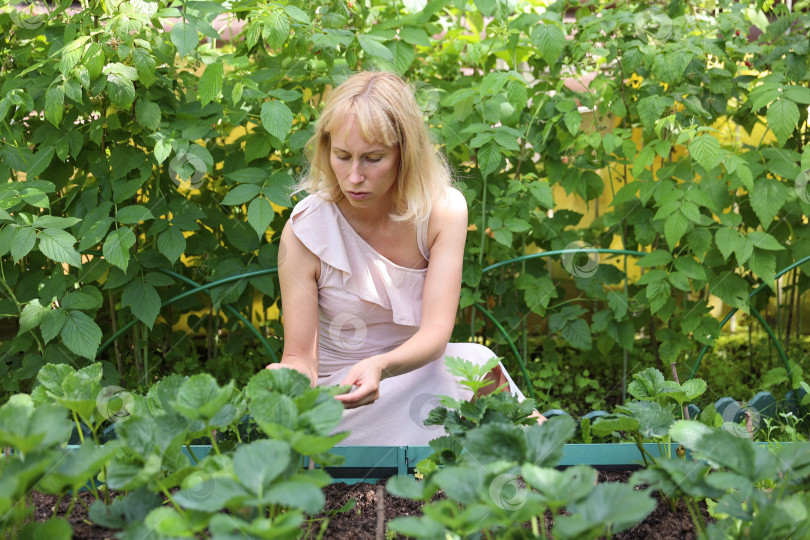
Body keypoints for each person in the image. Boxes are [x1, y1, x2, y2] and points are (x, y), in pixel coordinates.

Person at [267, 70, 543, 445]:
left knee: (478, 364)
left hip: (411, 376)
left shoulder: (442, 211)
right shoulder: (306, 229)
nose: (353, 176)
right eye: (342, 156)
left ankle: (543, 464)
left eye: (373, 159)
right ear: (325, 149)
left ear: (405, 153)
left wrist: (381, 366)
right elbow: (301, 357)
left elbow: (436, 334)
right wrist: (287, 379)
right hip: (343, 402)